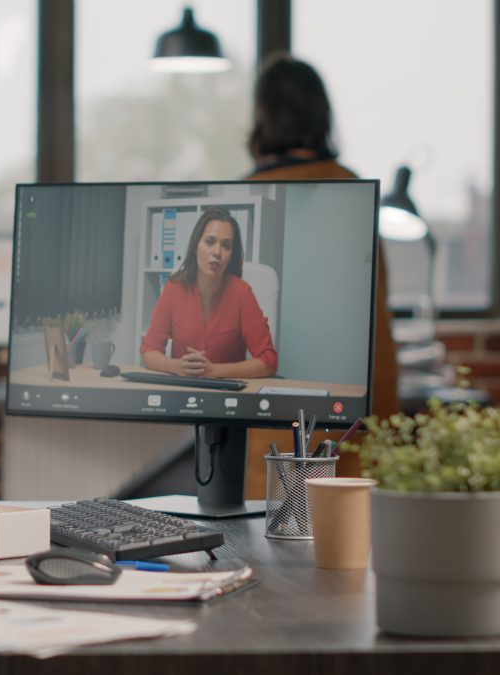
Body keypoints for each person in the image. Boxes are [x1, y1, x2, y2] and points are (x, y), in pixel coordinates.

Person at [244, 53, 400, 488]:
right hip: (362, 391)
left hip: (278, 398)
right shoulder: (352, 185)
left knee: (275, 513)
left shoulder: (250, 191)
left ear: (263, 116)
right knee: (353, 516)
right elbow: (379, 299)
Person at [140, 207, 278, 379]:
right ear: (196, 246)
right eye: (209, 242)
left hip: (227, 391)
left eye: (226, 246)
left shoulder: (242, 293)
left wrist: (214, 371)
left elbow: (268, 361)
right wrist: (177, 367)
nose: (217, 252)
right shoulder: (174, 289)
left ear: (231, 254)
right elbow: (149, 350)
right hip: (183, 387)